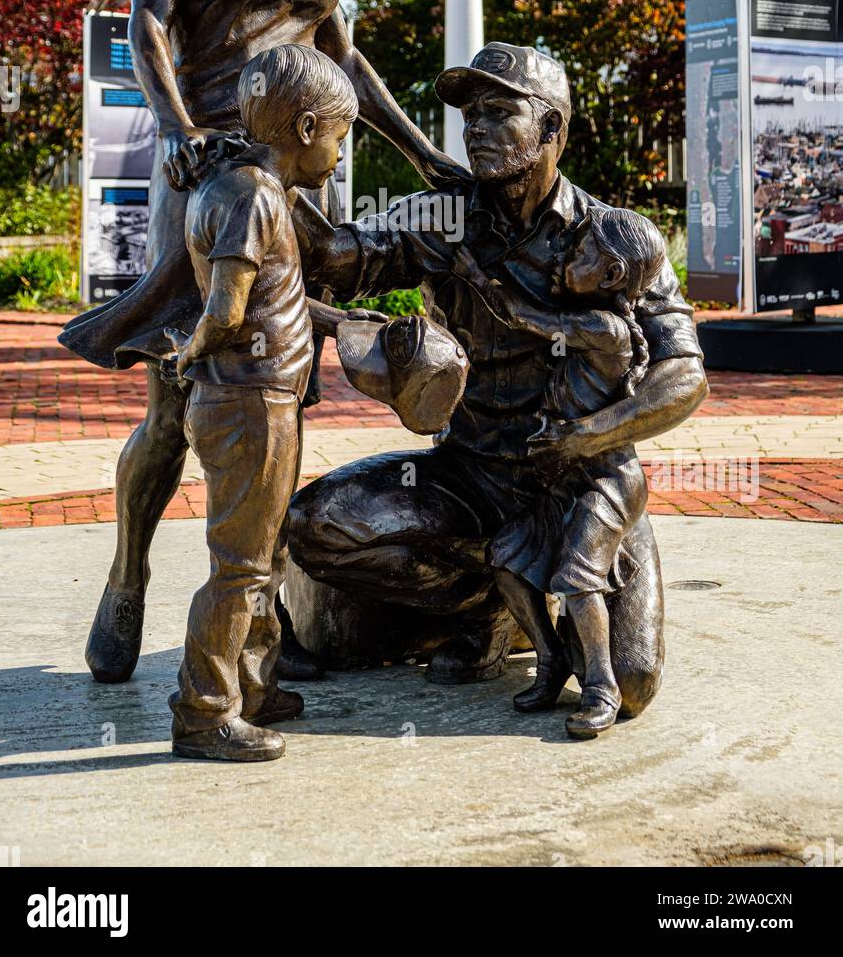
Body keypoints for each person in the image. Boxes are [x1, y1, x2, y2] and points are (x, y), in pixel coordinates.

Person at [59, 0, 463, 685]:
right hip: (208, 174)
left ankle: (257, 617)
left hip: (302, 177)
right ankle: (129, 575)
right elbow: (147, 21)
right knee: (177, 398)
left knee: (281, 388)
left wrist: (425, 154)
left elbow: (345, 59)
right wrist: (175, 129)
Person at [286, 43, 708, 720]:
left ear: (551, 130)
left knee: (630, 684)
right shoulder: (440, 217)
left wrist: (586, 436)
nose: (475, 128)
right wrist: (268, 167)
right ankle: (495, 606)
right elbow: (339, 258)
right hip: (471, 474)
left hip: (583, 483)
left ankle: (531, 593)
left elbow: (684, 374)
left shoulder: (617, 239)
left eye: (498, 112)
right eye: (469, 115)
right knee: (314, 527)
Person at [166, 43, 361, 762]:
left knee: (266, 551)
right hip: (251, 402)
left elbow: (281, 297)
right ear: (307, 127)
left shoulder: (249, 189)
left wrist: (350, 324)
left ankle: (255, 681)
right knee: (240, 565)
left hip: (266, 396)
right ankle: (203, 710)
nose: (340, 156)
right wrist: (189, 355)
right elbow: (225, 312)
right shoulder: (251, 194)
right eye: (340, 136)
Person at [451, 205, 667, 737]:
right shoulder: (589, 321)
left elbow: (526, 318)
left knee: (576, 578)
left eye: (580, 252)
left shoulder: (606, 329)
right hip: (563, 480)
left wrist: (477, 277)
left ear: (612, 275)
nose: (565, 256)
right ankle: (551, 661)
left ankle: (601, 687)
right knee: (507, 558)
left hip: (606, 483)